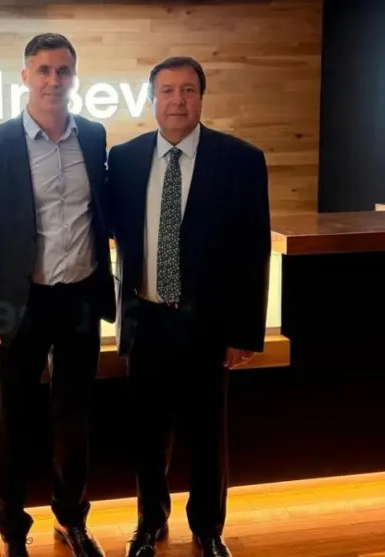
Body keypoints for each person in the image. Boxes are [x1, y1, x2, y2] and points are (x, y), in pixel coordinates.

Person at [105, 56, 271, 557]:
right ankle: (149, 523)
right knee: (147, 433)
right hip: (146, 318)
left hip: (209, 323)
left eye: (188, 90)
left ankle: (208, 528)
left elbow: (253, 249)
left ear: (201, 97)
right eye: (167, 90)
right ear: (152, 99)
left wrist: (244, 332)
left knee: (207, 433)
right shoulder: (125, 159)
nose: (177, 100)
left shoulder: (240, 159)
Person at [0, 33, 116, 557]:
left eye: (63, 70)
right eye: (44, 70)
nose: (54, 80)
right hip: (17, 301)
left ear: (74, 77)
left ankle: (71, 518)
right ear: (25, 76)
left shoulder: (92, 135)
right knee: (13, 419)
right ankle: (11, 530)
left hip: (79, 298)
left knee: (75, 417)